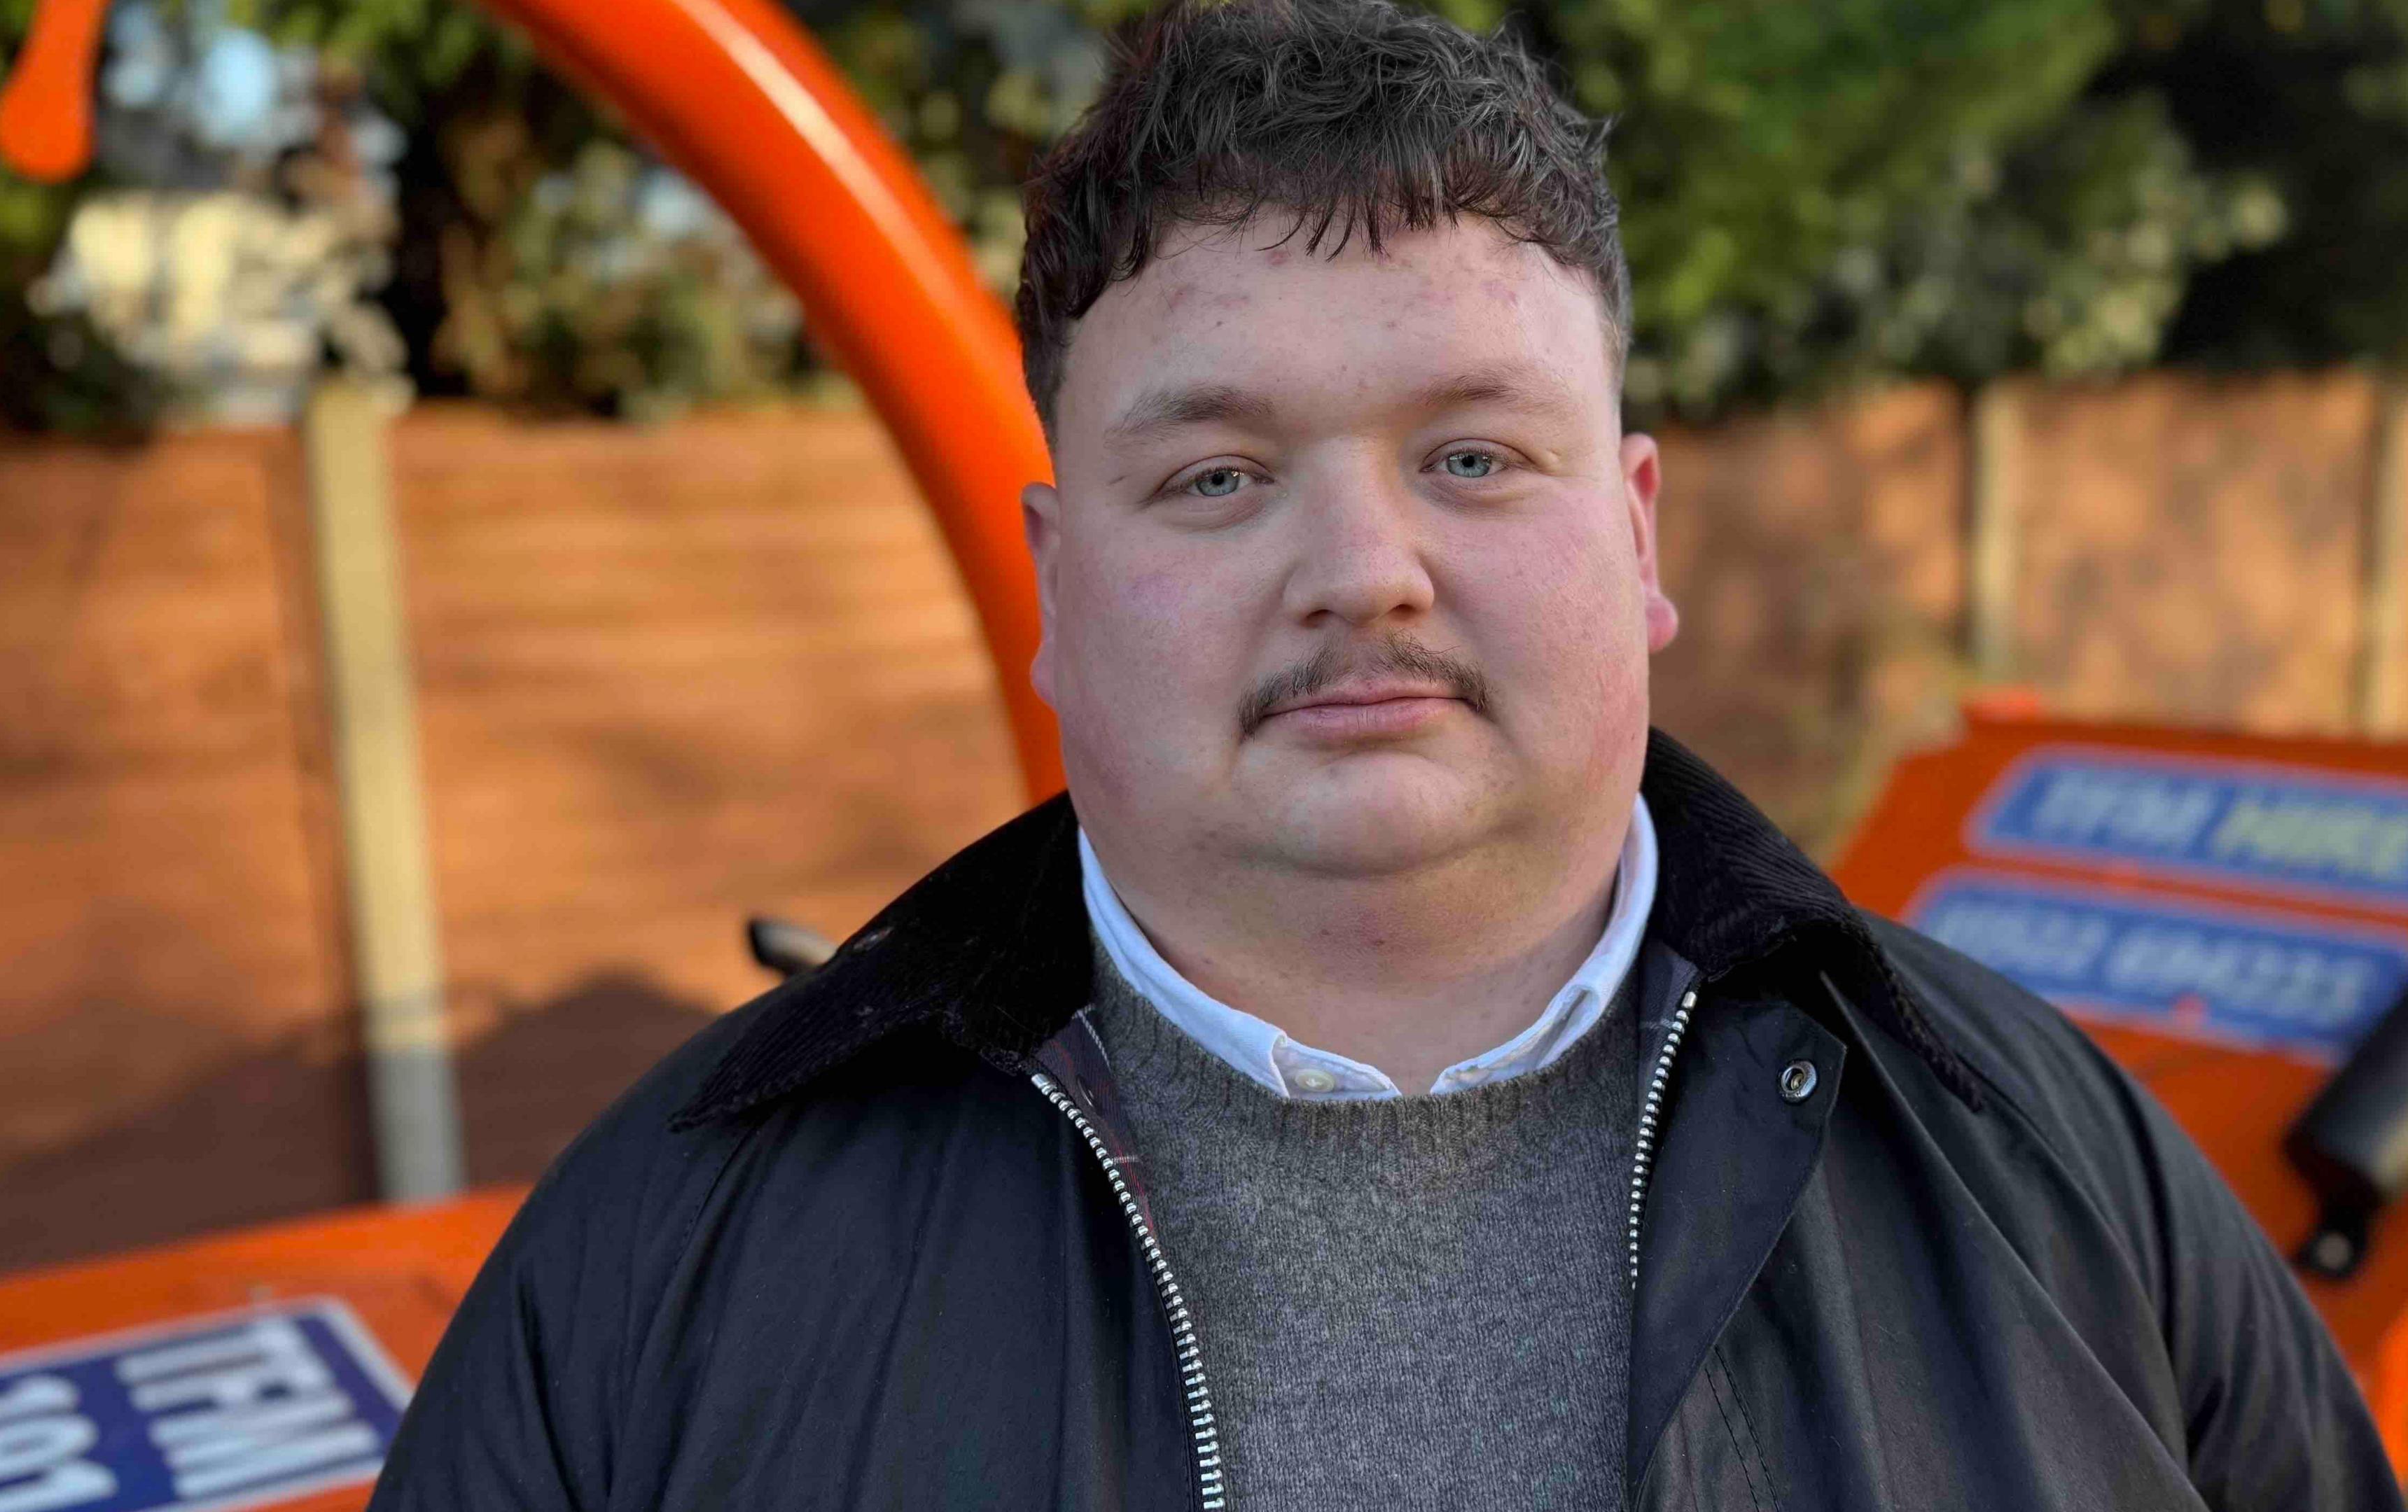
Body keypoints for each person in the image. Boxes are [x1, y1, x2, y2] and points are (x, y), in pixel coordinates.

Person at [367, 1, 2401, 1506]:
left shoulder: (2049, 1164)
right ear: (1058, 586)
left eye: (1475, 456)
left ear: (1637, 537)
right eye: (1220, 474)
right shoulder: (657, 1262)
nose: (1363, 572)